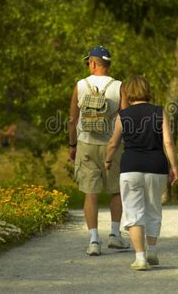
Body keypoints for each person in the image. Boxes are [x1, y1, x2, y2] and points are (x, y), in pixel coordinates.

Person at [105, 75, 178, 270]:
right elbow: (168, 142)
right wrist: (174, 166)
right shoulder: (158, 112)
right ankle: (152, 252)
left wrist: (107, 160)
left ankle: (140, 258)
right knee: (154, 209)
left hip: (131, 168)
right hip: (156, 167)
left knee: (133, 213)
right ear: (147, 90)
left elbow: (113, 143)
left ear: (128, 93)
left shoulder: (124, 115)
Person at [68, 46, 130, 256]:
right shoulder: (119, 86)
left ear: (93, 63)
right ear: (108, 64)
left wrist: (72, 145)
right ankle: (115, 235)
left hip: (86, 143)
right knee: (116, 191)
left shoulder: (80, 85)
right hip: (112, 145)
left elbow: (72, 120)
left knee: (90, 192)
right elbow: (127, 118)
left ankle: (94, 240)